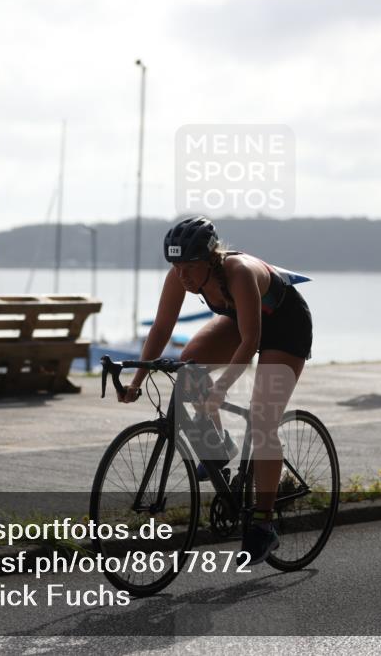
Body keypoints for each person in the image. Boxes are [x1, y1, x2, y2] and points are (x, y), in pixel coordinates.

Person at [118, 216, 313, 564]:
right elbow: (162, 328)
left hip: (285, 327)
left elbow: (252, 339)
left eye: (189, 267)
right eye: (176, 267)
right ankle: (219, 447)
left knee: (263, 420)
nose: (183, 276)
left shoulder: (237, 272)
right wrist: (137, 381)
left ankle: (264, 525)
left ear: (210, 259)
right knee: (190, 363)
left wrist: (221, 389)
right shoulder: (181, 275)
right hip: (241, 321)